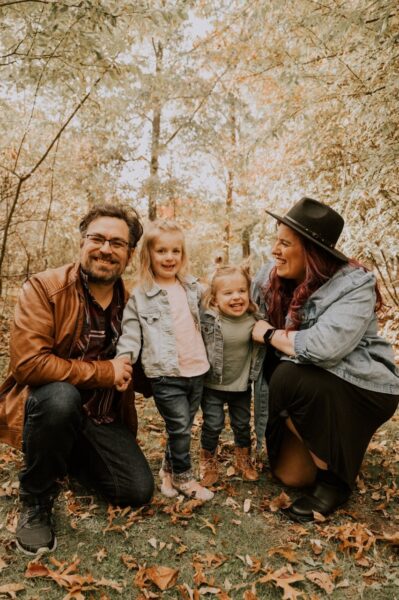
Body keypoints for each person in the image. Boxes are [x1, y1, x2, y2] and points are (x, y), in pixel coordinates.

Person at [0, 204, 154, 555]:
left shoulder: (134, 304)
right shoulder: (44, 288)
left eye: (117, 243)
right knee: (60, 398)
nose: (105, 249)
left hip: (100, 418)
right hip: (49, 407)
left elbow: (143, 373)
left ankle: (63, 454)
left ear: (129, 254)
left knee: (136, 491)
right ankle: (36, 498)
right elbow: (28, 365)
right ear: (82, 242)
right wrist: (104, 372)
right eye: (97, 238)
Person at [252, 197, 399, 522]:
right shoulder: (269, 277)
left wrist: (267, 334)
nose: (275, 250)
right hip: (311, 388)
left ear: (312, 252)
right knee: (292, 477)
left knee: (288, 376)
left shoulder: (353, 285)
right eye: (276, 240)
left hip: (361, 386)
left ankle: (335, 481)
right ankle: (338, 449)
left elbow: (321, 348)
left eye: (285, 243)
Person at [116, 220, 213, 501]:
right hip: (165, 373)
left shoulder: (193, 288)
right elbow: (130, 334)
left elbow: (214, 314)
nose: (169, 257)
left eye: (175, 251)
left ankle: (168, 471)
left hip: (197, 369)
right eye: (161, 251)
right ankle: (185, 478)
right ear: (149, 255)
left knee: (180, 428)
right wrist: (124, 360)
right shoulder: (140, 297)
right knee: (180, 426)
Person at [199, 265, 264, 486]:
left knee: (242, 424)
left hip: (241, 386)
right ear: (215, 299)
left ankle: (243, 460)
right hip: (212, 385)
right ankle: (208, 462)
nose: (236, 297)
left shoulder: (255, 320)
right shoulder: (209, 319)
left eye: (241, 291)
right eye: (228, 293)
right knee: (213, 424)